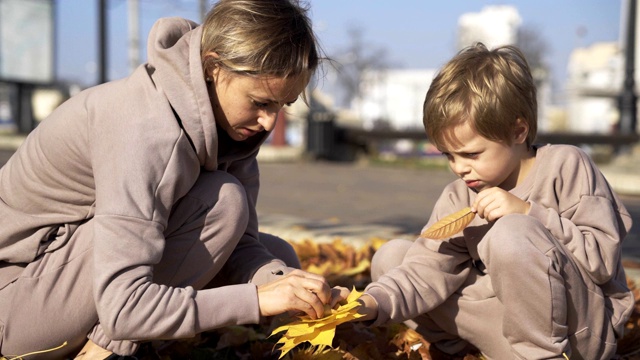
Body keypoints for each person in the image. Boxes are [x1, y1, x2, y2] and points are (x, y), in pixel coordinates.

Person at [0, 0, 348, 358]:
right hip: (12, 306)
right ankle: (101, 353)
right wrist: (258, 300)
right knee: (222, 203)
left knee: (278, 259)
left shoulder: (227, 123)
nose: (269, 123)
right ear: (213, 66)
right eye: (260, 102)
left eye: (281, 105)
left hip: (64, 283)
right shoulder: (145, 130)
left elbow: (240, 244)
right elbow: (124, 306)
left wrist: (282, 287)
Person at [354, 43, 635, 359]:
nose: (459, 167)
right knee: (392, 259)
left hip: (578, 333)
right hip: (505, 329)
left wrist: (529, 213)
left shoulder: (566, 166)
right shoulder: (459, 194)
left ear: (518, 131)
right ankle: (465, 352)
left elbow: (600, 263)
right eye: (449, 155)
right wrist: (366, 304)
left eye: (471, 154)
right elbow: (426, 270)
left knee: (512, 233)